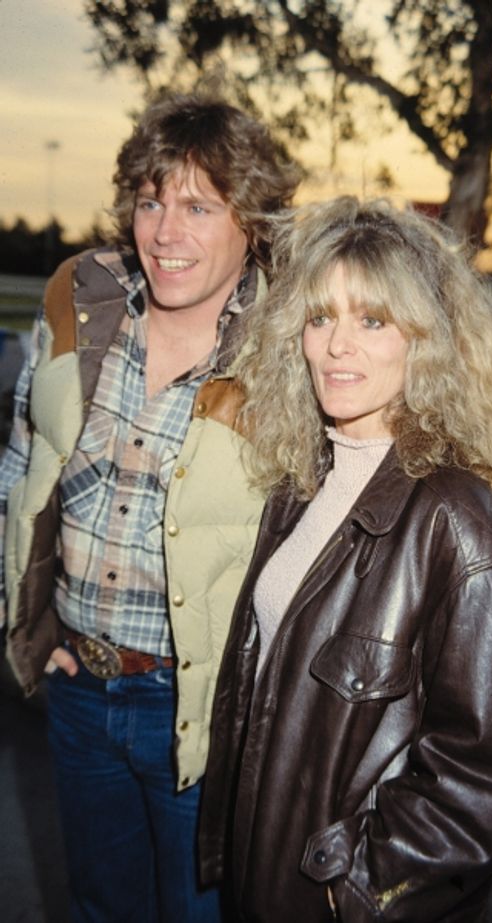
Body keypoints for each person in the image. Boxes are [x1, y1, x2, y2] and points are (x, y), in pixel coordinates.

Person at [198, 197, 492, 922]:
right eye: (321, 316)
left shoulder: (457, 520)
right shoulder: (305, 482)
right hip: (259, 883)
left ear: (425, 340)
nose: (336, 346)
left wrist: (358, 883)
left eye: (372, 320)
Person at [0, 94, 299, 922]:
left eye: (199, 206)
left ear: (252, 219)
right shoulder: (78, 297)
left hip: (199, 711)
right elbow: (23, 469)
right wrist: (29, 622)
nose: (166, 232)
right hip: (80, 692)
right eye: (151, 199)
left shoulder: (290, 346)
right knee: (99, 906)